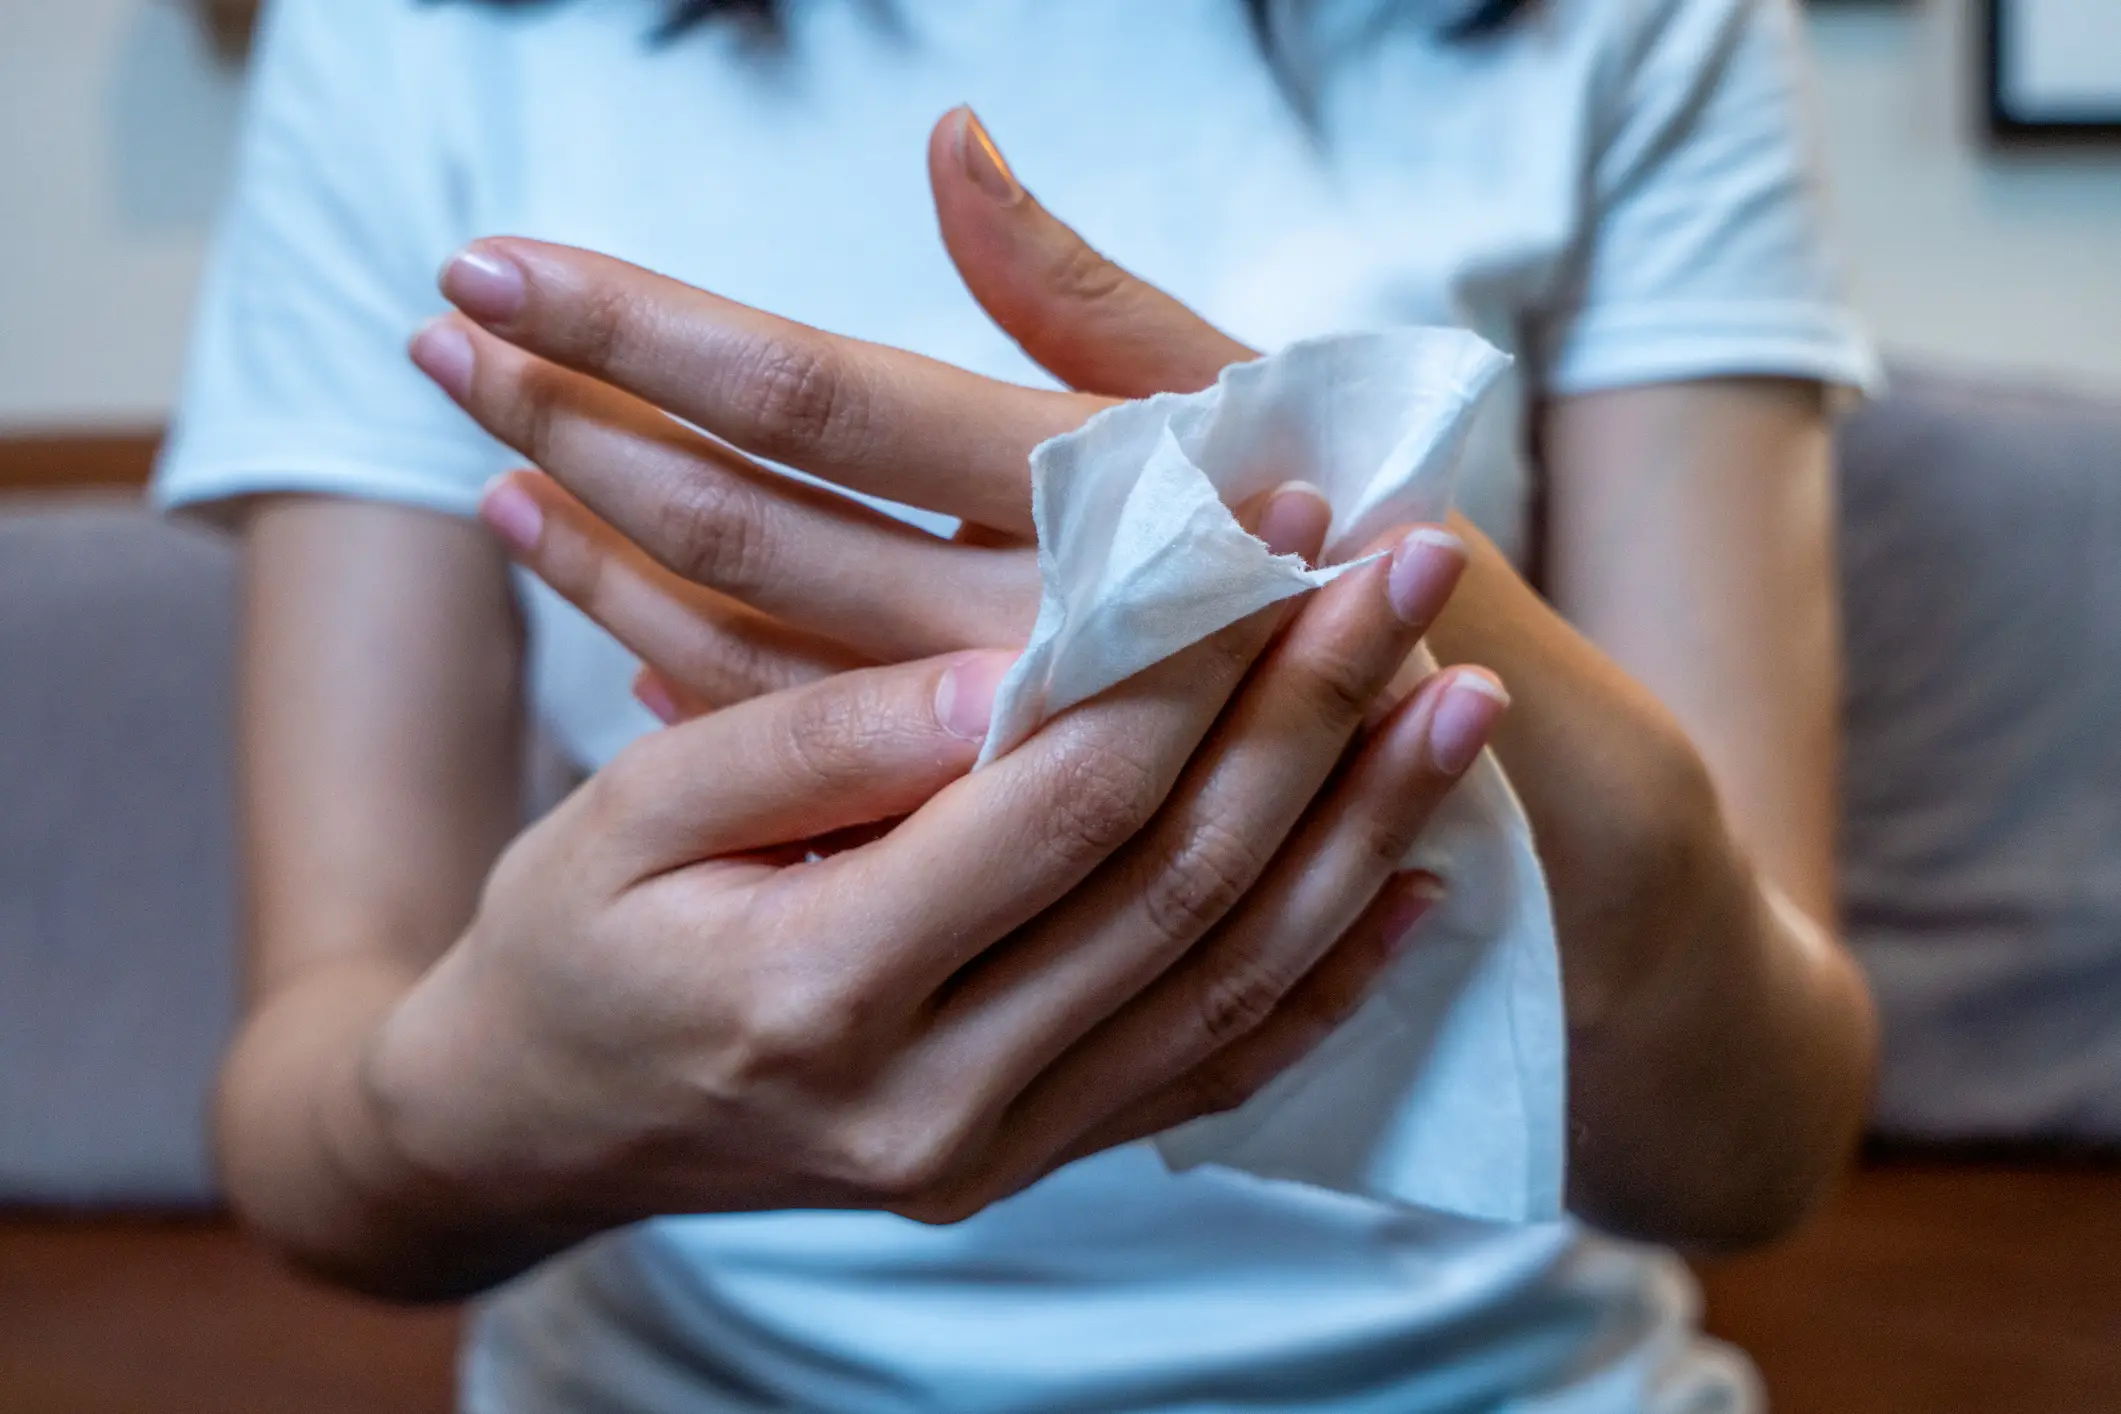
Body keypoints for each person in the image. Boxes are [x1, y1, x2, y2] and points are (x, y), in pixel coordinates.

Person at [158, 0, 1879, 1408]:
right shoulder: (415, 34)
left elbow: (1769, 1140)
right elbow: (317, 1107)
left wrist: (1392, 624)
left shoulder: (1638, 24)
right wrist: (502, 1090)